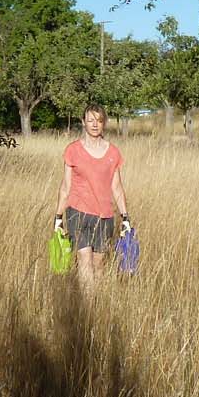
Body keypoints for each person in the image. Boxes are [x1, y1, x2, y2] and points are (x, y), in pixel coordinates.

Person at [54, 103, 131, 285]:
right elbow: (66, 186)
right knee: (84, 260)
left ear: (104, 123)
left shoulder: (113, 152)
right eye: (90, 120)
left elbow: (117, 188)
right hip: (78, 213)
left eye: (99, 120)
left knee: (99, 264)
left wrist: (125, 217)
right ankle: (87, 309)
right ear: (83, 122)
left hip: (104, 216)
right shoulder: (72, 150)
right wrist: (58, 216)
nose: (94, 125)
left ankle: (97, 304)